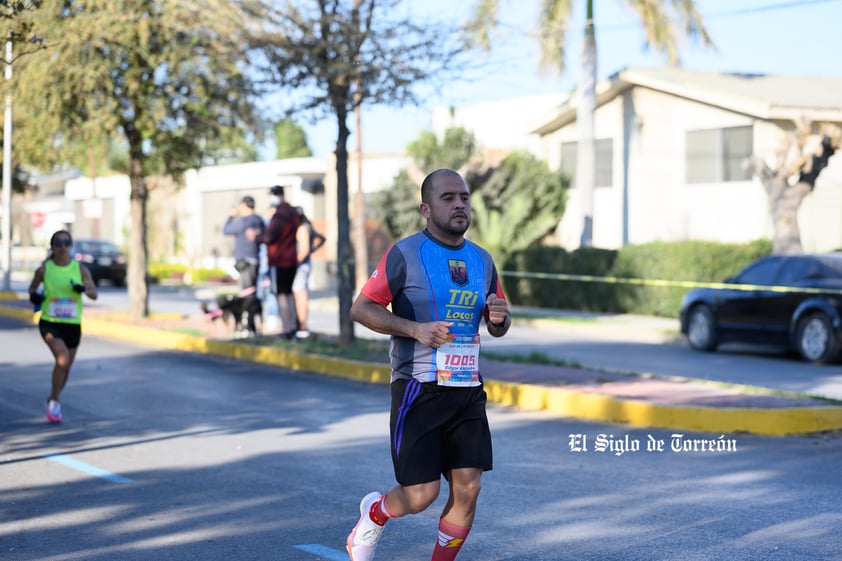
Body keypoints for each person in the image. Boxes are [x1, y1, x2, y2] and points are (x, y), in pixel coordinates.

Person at [346, 169, 511, 561]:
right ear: (425, 208)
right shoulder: (405, 254)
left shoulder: (482, 260)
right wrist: (414, 329)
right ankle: (374, 512)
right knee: (421, 495)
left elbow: (498, 322)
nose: (459, 205)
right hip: (418, 388)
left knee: (468, 489)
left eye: (464, 198)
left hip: (467, 388)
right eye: (448, 198)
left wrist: (499, 319)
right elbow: (361, 308)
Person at [28, 230, 98, 423]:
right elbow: (32, 288)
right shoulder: (45, 269)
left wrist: (83, 289)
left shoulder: (80, 269)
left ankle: (53, 397)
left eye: (66, 243)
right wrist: (35, 296)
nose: (62, 247)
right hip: (51, 322)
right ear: (52, 246)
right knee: (62, 358)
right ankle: (55, 401)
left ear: (71, 246)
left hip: (73, 324)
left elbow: (94, 294)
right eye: (58, 243)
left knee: (66, 368)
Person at [256, 185, 300, 339]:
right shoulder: (292, 211)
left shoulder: (281, 213)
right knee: (288, 294)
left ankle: (288, 328)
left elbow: (269, 236)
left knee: (282, 295)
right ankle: (293, 326)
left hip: (280, 260)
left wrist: (257, 236)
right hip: (291, 258)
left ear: (276, 195)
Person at [223, 195, 266, 336]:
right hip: (256, 260)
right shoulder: (259, 220)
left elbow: (226, 230)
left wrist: (231, 216)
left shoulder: (242, 221)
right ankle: (251, 325)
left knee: (245, 294)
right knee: (252, 292)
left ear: (244, 206)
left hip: (244, 262)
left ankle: (247, 326)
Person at [292, 206, 326, 338]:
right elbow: (322, 238)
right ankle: (301, 324)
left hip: (301, 266)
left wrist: (295, 263)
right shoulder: (308, 226)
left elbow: (304, 250)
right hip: (305, 265)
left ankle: (302, 325)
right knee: (301, 293)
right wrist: (313, 249)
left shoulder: (302, 229)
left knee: (300, 294)